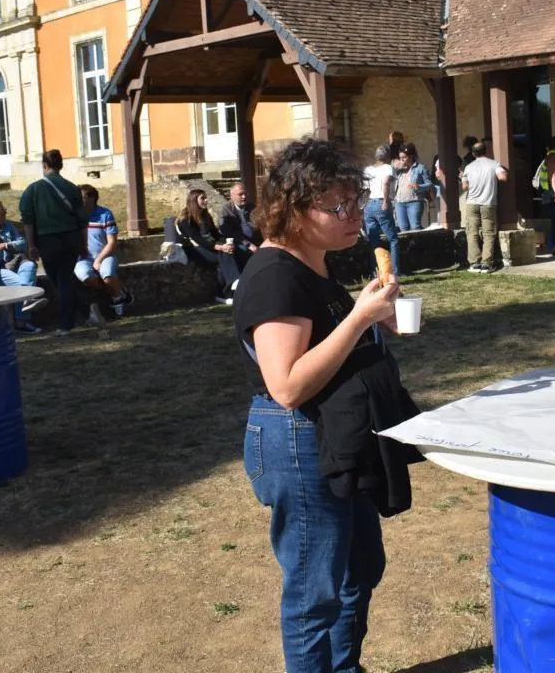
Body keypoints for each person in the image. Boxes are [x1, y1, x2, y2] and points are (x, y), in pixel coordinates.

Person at [234, 138, 418, 673]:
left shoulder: (312, 265)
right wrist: (358, 319)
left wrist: (374, 323)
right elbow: (288, 385)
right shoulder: (276, 276)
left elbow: (327, 346)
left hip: (337, 433)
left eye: (356, 202)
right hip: (297, 437)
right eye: (338, 206)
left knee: (360, 567)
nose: (354, 215)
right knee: (316, 590)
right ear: (294, 210)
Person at [19, 149, 86, 336]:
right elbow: (82, 221)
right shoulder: (72, 188)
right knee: (65, 278)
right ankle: (81, 312)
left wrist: (31, 245)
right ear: (61, 165)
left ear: (44, 165)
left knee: (59, 280)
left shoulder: (33, 190)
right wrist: (84, 244)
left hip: (47, 240)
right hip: (71, 238)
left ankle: (67, 323)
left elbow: (27, 220)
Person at [0, 200, 44, 333]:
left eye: (4, 210)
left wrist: (5, 245)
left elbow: (23, 243)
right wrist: (7, 253)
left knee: (29, 266)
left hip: (11, 264)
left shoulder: (8, 226)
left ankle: (27, 302)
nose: (5, 212)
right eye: (1, 211)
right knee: (22, 285)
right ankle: (22, 319)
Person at [75, 185, 134, 321]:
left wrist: (99, 259)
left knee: (107, 274)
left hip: (105, 254)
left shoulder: (105, 214)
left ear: (92, 198)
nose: (79, 201)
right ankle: (118, 290)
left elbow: (112, 242)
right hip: (83, 258)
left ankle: (118, 299)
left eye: (82, 197)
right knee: (85, 276)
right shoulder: (76, 216)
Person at [177, 188, 241, 303]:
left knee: (229, 254)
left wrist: (227, 243)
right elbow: (198, 239)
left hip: (207, 247)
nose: (206, 200)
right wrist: (220, 247)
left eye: (206, 198)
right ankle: (235, 281)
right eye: (202, 198)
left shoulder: (205, 216)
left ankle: (223, 295)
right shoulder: (186, 218)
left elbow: (216, 234)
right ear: (194, 201)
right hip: (193, 250)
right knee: (223, 254)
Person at [461, 140, 508, 272]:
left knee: (472, 233)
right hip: (488, 203)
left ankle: (474, 262)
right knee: (488, 233)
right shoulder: (494, 164)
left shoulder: (468, 167)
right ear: (486, 151)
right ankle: (486, 262)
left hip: (471, 203)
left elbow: (464, 186)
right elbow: (503, 177)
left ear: (473, 153)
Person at [363, 145, 402, 279]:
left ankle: (376, 272)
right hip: (381, 202)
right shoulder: (387, 168)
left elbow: (365, 188)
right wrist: (385, 200)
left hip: (369, 204)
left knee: (373, 240)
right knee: (393, 239)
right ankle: (394, 271)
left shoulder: (368, 170)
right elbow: (386, 183)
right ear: (388, 156)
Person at [218, 181, 262, 269]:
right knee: (245, 251)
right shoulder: (226, 208)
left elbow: (260, 223)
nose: (244, 197)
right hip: (238, 240)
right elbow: (228, 231)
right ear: (232, 196)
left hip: (255, 239)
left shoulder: (251, 206)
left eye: (245, 193)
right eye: (240, 194)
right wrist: (248, 244)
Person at [394, 143, 434, 232]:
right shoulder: (399, 169)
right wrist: (394, 168)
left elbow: (430, 184)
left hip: (414, 201)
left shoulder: (420, 168)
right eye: (400, 158)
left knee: (415, 227)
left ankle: (422, 240)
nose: (402, 160)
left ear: (411, 156)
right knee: (403, 229)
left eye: (404, 157)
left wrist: (419, 186)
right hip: (399, 202)